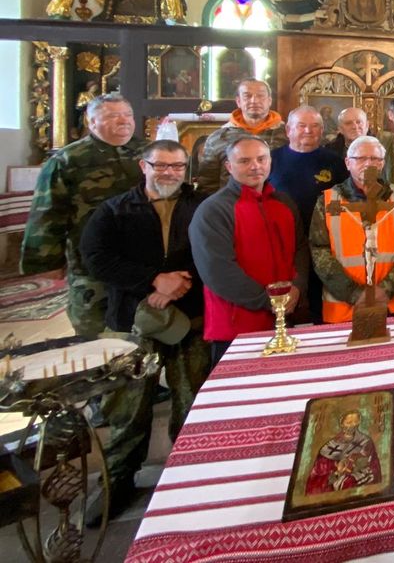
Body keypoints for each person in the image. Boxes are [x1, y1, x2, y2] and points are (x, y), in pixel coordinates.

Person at [79, 140, 208, 523]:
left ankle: (189, 477)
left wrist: (183, 283)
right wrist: (152, 281)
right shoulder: (115, 209)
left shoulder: (200, 205)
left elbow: (216, 249)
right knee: (129, 409)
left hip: (191, 316)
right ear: (144, 165)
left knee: (193, 402)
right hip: (134, 320)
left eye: (177, 167)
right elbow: (97, 257)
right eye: (161, 165)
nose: (169, 173)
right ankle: (117, 482)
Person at [22, 92, 147, 338]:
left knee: (139, 321)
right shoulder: (68, 159)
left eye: (128, 115)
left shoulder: (147, 152)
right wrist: (47, 261)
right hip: (89, 258)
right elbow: (48, 212)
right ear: (91, 123)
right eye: (113, 116)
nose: (124, 121)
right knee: (94, 325)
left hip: (138, 254)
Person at [189, 136, 305, 364]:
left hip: (285, 318)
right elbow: (217, 270)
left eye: (261, 159)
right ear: (229, 166)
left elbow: (300, 249)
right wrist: (270, 302)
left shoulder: (284, 203)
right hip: (236, 326)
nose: (255, 166)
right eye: (244, 161)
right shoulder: (213, 210)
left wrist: (298, 288)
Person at [311, 136, 394, 322]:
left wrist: (386, 289)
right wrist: (355, 294)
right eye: (360, 158)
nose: (368, 163)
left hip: (393, 304)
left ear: (382, 163)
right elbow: (320, 252)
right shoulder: (328, 201)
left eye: (375, 159)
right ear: (347, 163)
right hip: (345, 308)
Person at [268, 106, 348, 323]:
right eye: (301, 126)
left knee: (320, 306)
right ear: (288, 130)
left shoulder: (335, 162)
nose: (308, 131)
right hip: (285, 244)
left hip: (326, 244)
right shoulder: (270, 160)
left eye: (314, 126)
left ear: (322, 131)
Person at [197, 79, 287, 193]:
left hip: (276, 205)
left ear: (269, 101)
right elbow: (207, 185)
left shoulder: (287, 135)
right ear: (238, 101)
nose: (254, 101)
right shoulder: (218, 138)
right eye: (247, 96)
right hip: (230, 206)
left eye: (260, 96)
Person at [304, 411, 383, 494]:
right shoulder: (330, 445)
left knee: (348, 482)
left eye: (356, 421)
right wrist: (337, 470)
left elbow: (373, 465)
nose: (353, 425)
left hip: (358, 474)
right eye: (349, 422)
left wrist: (356, 462)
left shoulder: (365, 441)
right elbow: (318, 471)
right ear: (342, 424)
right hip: (335, 477)